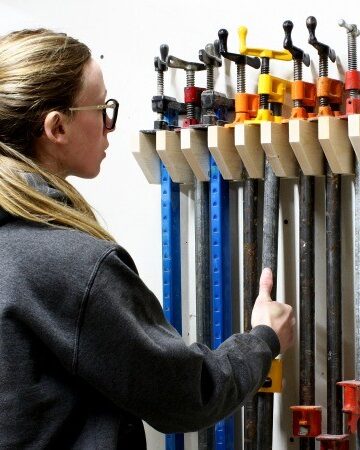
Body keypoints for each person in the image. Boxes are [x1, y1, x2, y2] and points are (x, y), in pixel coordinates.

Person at [0, 28, 295, 449]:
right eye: (102, 108)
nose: (110, 126)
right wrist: (264, 339)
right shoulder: (72, 265)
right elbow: (188, 394)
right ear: (57, 127)